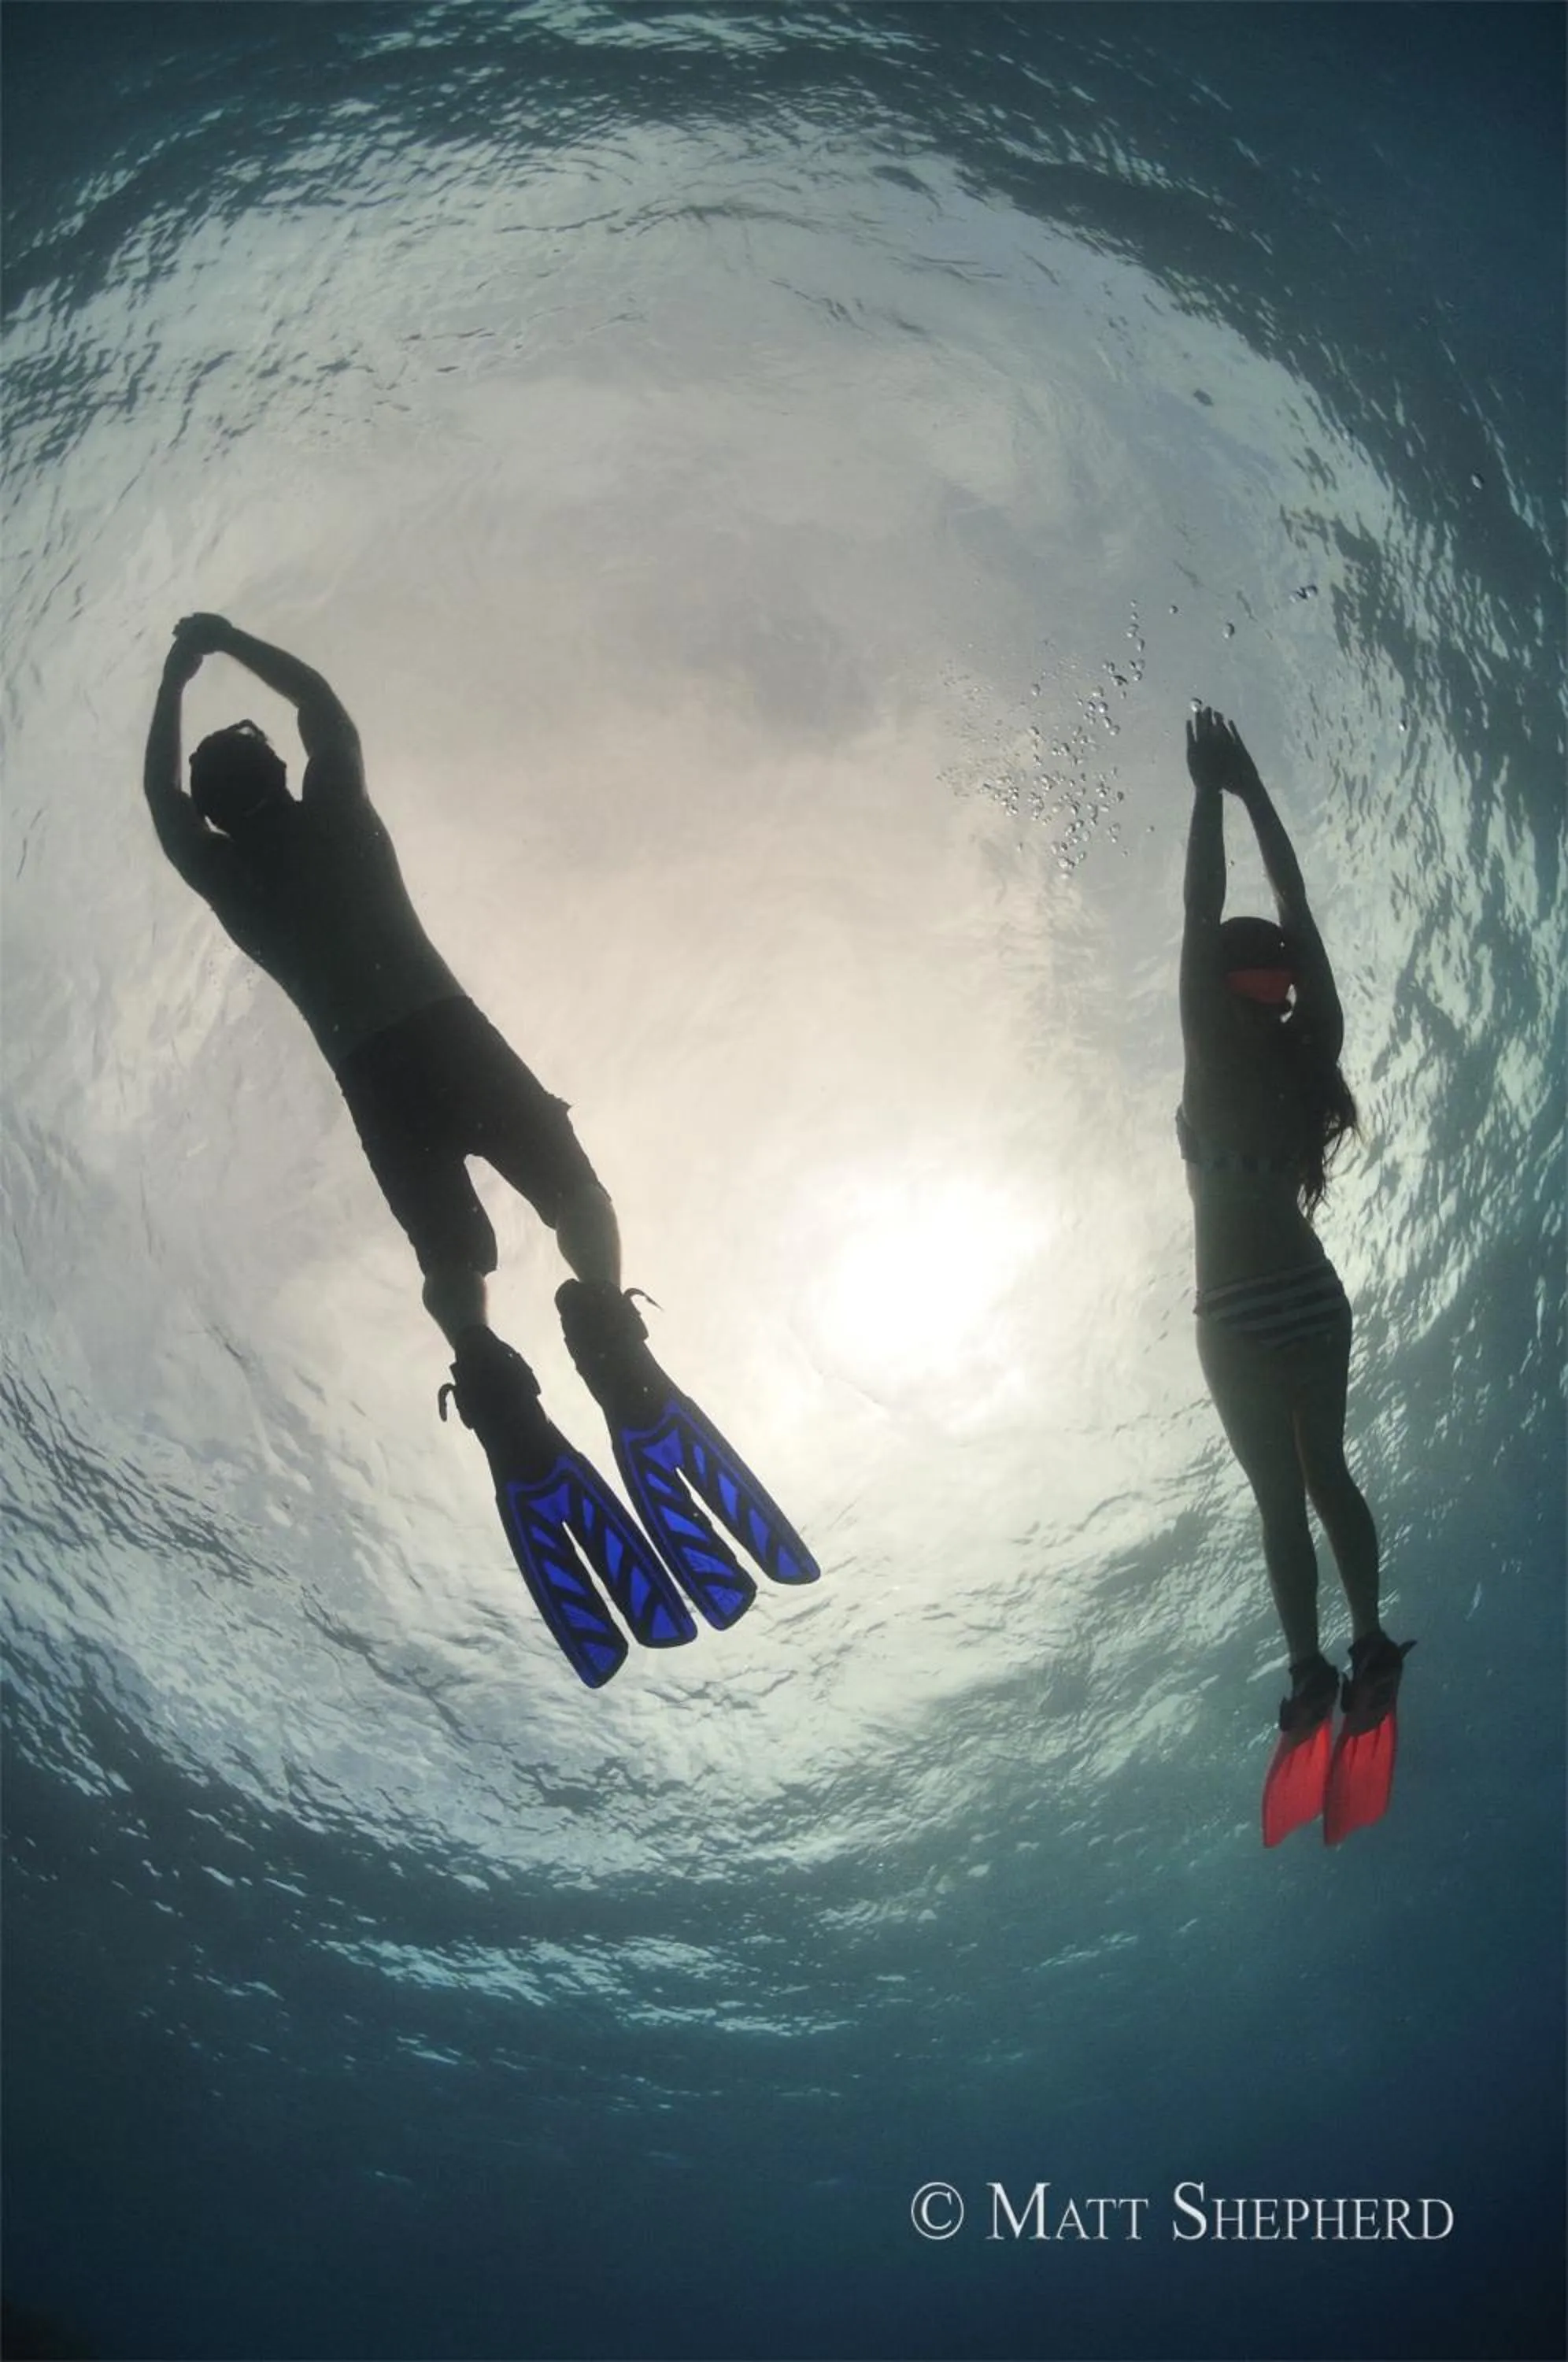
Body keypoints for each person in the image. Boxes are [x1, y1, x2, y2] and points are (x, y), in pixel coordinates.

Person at [143, 616, 816, 1683]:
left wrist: (173, 678)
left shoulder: (227, 879)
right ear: (276, 770)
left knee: (452, 1262)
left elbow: (163, 809)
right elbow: (321, 704)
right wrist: (224, 645)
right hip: (452, 1034)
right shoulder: (339, 814)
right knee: (577, 1195)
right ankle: (603, 1327)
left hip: (374, 1077)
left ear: (220, 806)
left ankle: (488, 1379)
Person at [1179, 705, 1411, 1844]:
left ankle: (1333, 1661)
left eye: (1275, 978)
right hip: (1281, 1308)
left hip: (1237, 1313)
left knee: (1300, 1490)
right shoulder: (1272, 1049)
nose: (1277, 986)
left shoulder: (1234, 1049)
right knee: (1315, 1485)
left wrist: (1216, 789)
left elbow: (1228, 913)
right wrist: (1235, 785)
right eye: (1266, 977)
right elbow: (1264, 910)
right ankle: (1346, 1655)